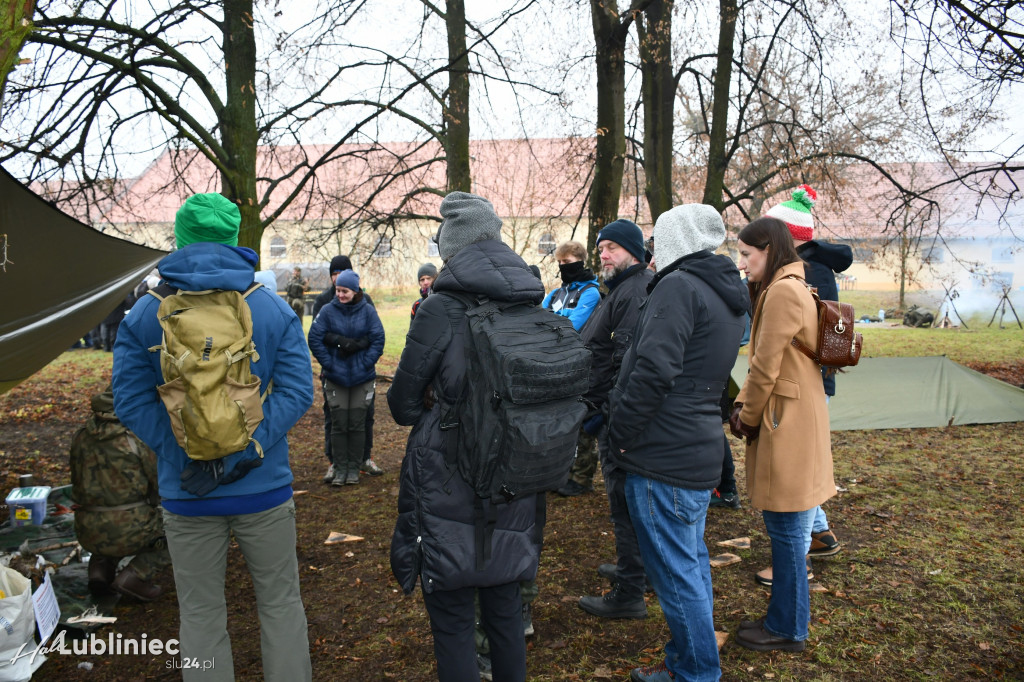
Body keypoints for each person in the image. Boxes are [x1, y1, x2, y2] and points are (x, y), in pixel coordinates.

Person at [112, 192, 315, 681]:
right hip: (262, 485)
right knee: (281, 604)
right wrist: (251, 447)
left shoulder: (146, 313)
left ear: (180, 239)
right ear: (233, 237)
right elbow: (297, 389)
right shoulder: (267, 306)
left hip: (188, 491)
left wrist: (185, 450)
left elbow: (131, 402)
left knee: (200, 614)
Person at [388, 191, 545, 682]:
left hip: (449, 473)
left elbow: (401, 405)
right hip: (517, 471)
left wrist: (438, 397)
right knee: (504, 609)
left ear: (451, 248)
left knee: (453, 618)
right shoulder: (531, 301)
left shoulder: (440, 309)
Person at [607, 204, 747, 682]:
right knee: (690, 562)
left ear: (672, 240)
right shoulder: (721, 289)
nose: (650, 250)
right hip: (695, 441)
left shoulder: (678, 286)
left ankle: (695, 672)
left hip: (663, 449)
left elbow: (655, 370)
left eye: (656, 239)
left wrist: (620, 433)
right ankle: (691, 660)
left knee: (676, 572)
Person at [731, 215, 836, 652]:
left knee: (789, 531)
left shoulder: (783, 291)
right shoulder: (793, 286)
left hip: (785, 420)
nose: (741, 263)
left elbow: (765, 366)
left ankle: (789, 627)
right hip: (793, 415)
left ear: (769, 251)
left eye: (746, 254)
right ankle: (785, 619)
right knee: (787, 528)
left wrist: (746, 414)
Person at [753, 185, 847, 587]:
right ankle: (820, 534)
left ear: (786, 236)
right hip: (809, 378)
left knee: (797, 473)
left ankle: (800, 558)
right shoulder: (810, 268)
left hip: (802, 381)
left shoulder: (803, 274)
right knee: (803, 468)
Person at [574, 219, 654, 620]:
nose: (602, 255)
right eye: (600, 248)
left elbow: (624, 362)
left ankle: (630, 590)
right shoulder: (621, 287)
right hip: (608, 411)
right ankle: (637, 569)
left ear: (634, 252)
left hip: (615, 415)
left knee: (624, 501)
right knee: (625, 501)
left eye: (611, 248)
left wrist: (603, 412)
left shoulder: (635, 290)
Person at [71, 385, 170, 602]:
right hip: (130, 529)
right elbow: (161, 483)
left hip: (87, 529)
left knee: (108, 522)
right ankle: (134, 576)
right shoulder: (137, 438)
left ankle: (99, 570)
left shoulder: (81, 436)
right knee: (183, 532)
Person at [308, 269, 385, 486]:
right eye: (338, 290)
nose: (340, 295)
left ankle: (354, 468)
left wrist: (365, 362)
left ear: (355, 290)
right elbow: (314, 338)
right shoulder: (328, 311)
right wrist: (329, 363)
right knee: (340, 423)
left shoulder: (368, 311)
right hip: (336, 376)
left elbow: (378, 338)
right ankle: (340, 468)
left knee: (358, 423)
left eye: (345, 291)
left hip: (362, 377)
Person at [541, 241, 601, 331]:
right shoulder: (555, 294)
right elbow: (537, 319)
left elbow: (571, 328)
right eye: (559, 261)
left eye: (566, 261)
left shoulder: (590, 293)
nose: (562, 265)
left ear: (580, 262)